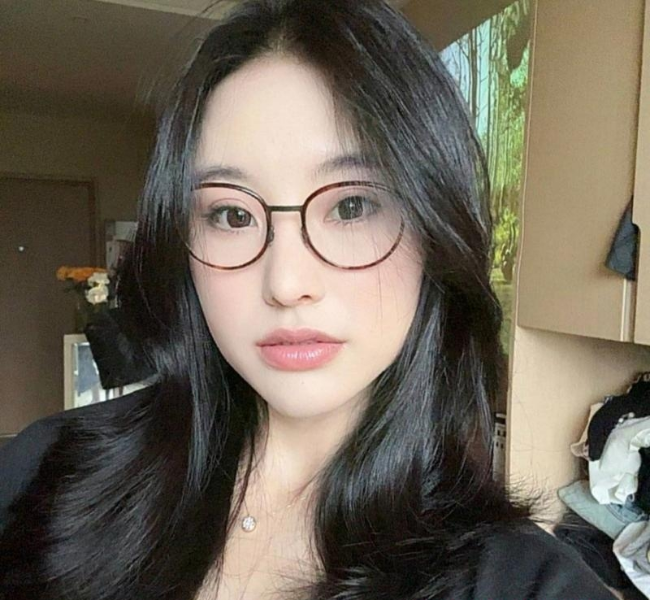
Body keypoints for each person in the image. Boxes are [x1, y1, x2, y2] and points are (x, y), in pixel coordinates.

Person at [0, 1, 616, 598]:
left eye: (352, 205)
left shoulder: (524, 584)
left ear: (436, 233)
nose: (286, 282)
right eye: (232, 214)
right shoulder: (42, 471)